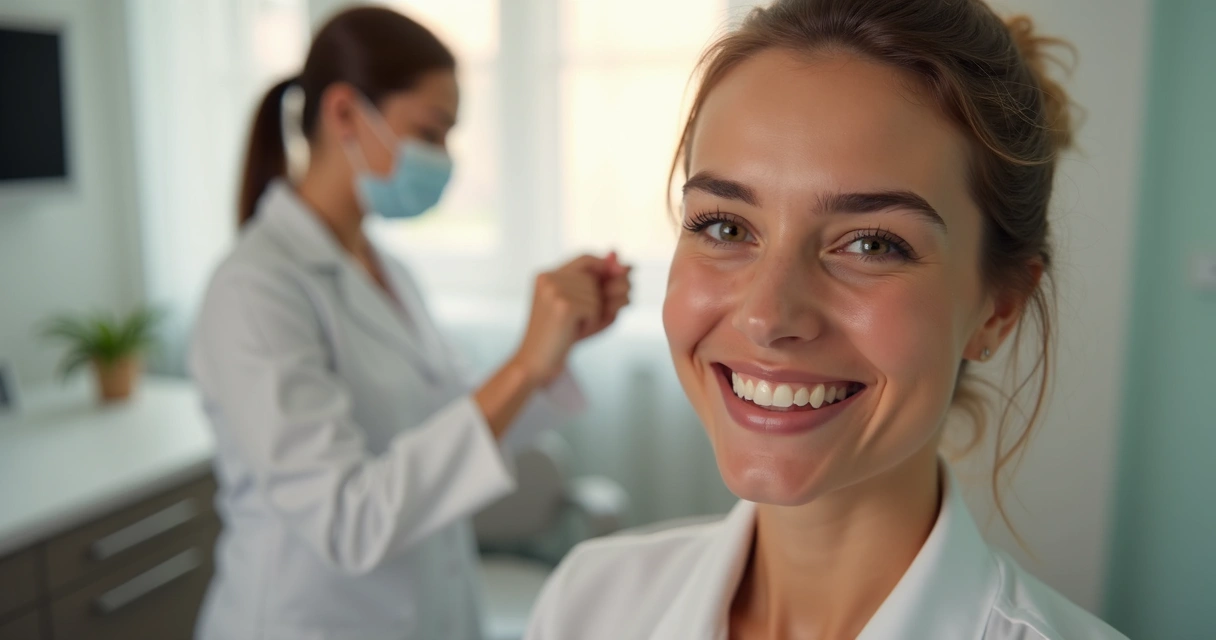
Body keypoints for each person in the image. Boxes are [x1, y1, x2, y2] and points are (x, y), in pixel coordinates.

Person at [525, 0, 1127, 638]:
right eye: (726, 226)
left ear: (997, 311)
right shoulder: (587, 603)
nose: (766, 316)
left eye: (871, 244)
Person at [190, 7, 630, 640]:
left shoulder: (386, 270)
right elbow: (348, 521)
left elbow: (449, 422)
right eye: (431, 131)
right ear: (344, 114)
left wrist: (550, 357)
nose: (444, 158)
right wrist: (521, 366)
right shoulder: (253, 290)